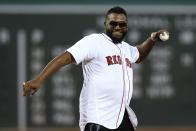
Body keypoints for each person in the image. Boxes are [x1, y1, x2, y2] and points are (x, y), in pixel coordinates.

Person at [23, 6, 169, 131]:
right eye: (113, 23)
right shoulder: (93, 41)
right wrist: (39, 80)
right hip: (98, 117)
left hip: (121, 116)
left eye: (122, 24)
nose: (117, 27)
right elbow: (64, 58)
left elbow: (139, 54)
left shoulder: (126, 49)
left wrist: (152, 39)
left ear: (127, 26)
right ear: (105, 24)